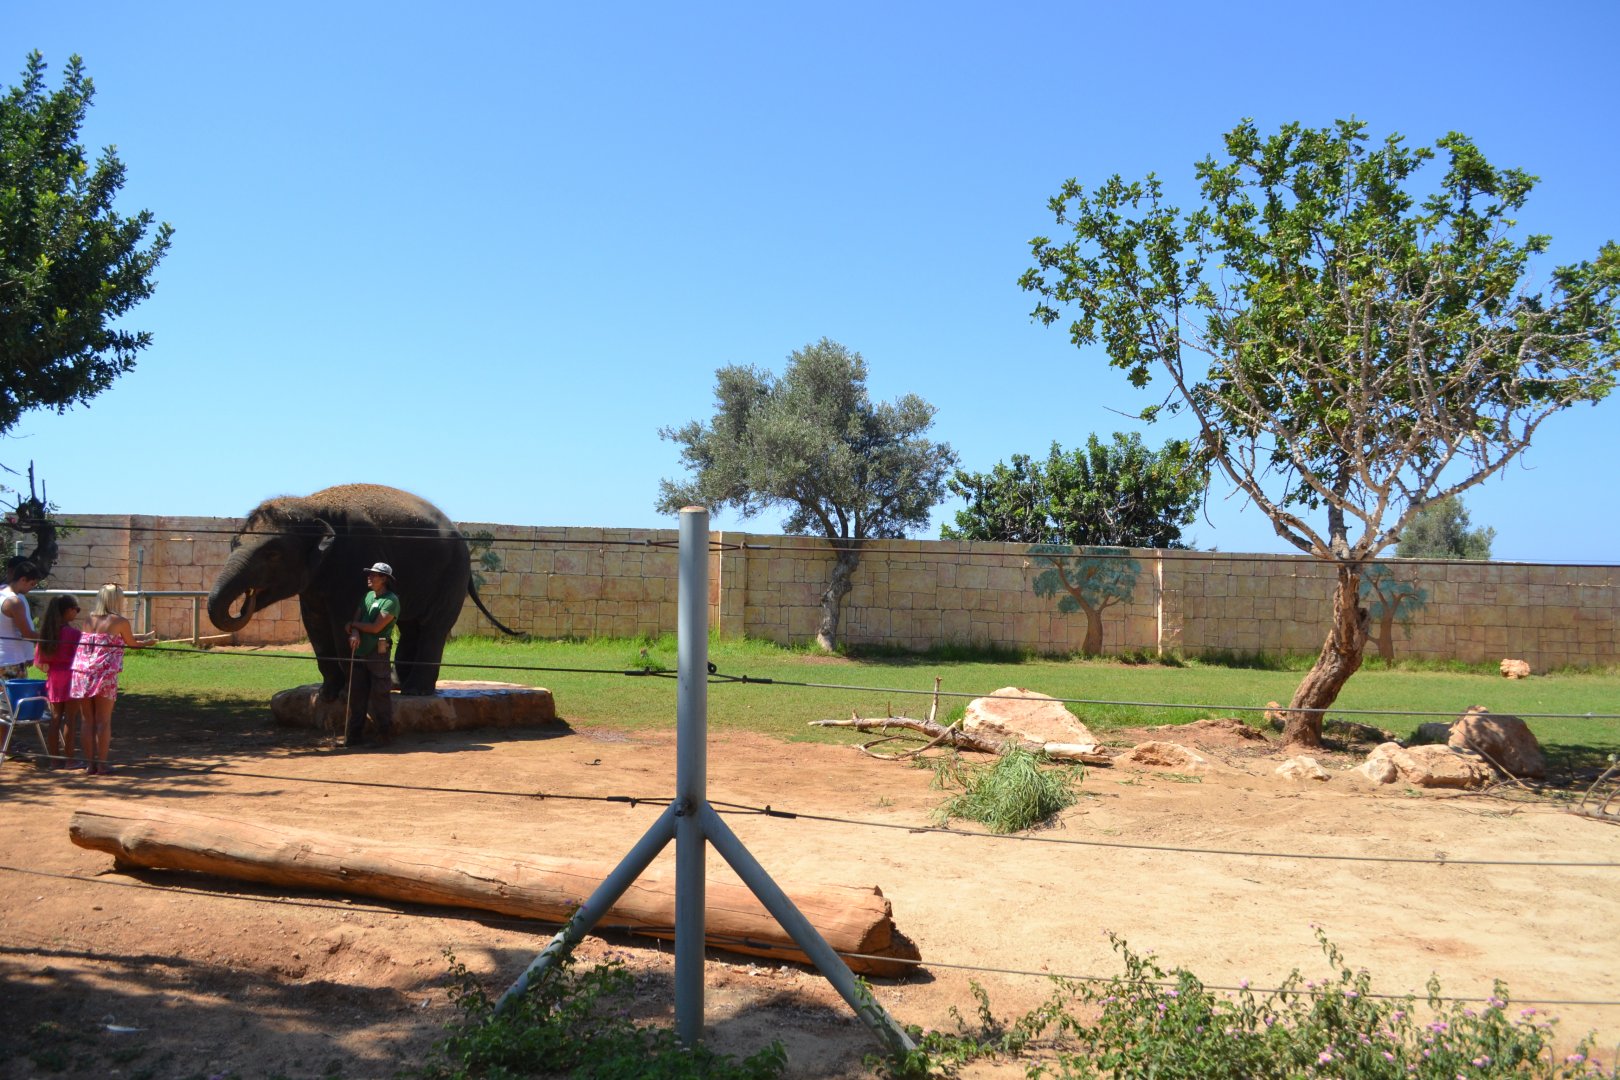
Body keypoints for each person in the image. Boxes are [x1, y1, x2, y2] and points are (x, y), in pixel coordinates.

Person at [70, 584, 157, 775]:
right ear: (116, 600)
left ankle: (89, 764)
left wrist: (141, 637)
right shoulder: (120, 620)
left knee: (87, 721)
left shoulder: (89, 619)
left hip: (82, 673)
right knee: (103, 721)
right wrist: (148, 643)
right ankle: (101, 764)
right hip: (104, 674)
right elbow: (132, 644)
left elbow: (107, 638)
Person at [342, 562, 399, 748]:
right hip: (359, 651)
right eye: (370, 574)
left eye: (374, 575)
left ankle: (385, 734)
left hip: (378, 652)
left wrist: (354, 626)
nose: (370, 577)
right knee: (357, 695)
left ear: (384, 579)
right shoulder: (366, 596)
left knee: (380, 694)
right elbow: (355, 621)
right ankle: (354, 735)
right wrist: (354, 631)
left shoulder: (391, 601)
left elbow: (375, 627)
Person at [33, 594, 83, 768]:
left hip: (54, 678)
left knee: (55, 719)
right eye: (76, 609)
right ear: (68, 611)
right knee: (70, 719)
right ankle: (70, 760)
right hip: (72, 677)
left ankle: (54, 760)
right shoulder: (74, 634)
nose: (76, 613)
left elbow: (39, 662)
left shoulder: (47, 633)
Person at [0, 557, 43, 680]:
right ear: (23, 579)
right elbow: (27, 634)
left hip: (4, 660)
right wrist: (52, 637)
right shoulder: (15, 602)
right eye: (32, 584)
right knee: (15, 699)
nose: (32, 588)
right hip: (11, 662)